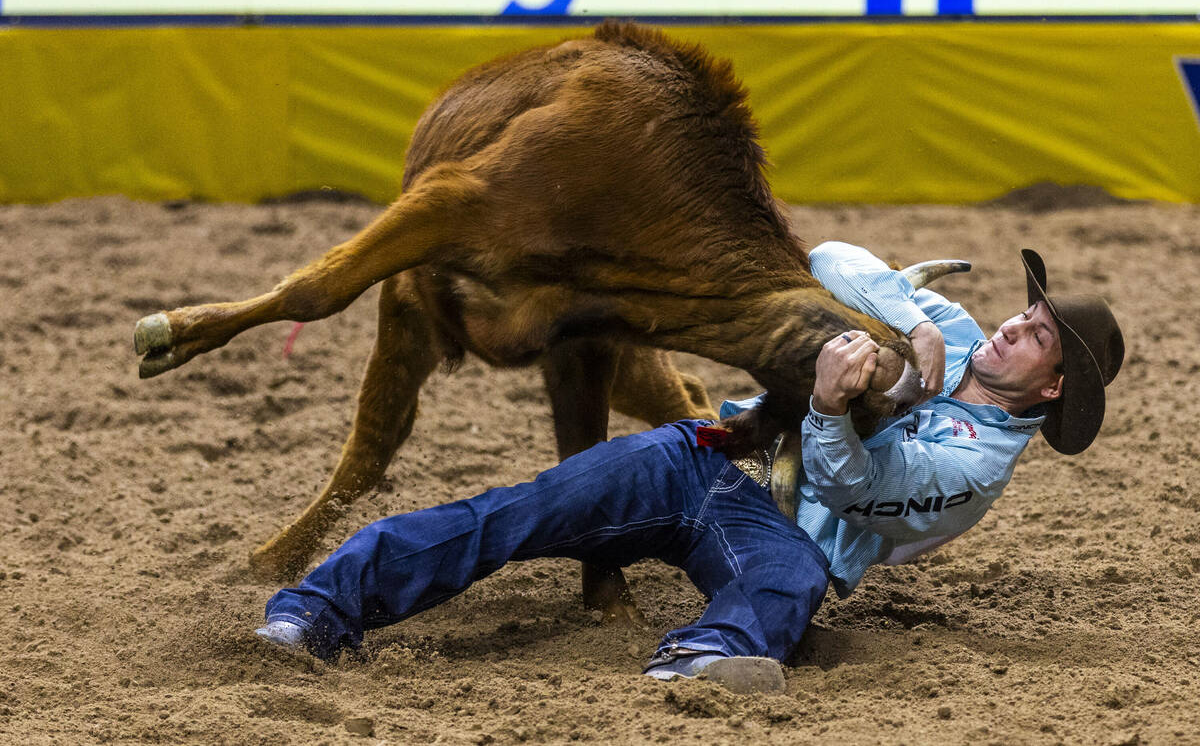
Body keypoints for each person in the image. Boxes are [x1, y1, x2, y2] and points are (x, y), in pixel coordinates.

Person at [254, 242, 1123, 693]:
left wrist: (825, 408)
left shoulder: (973, 470)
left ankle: (706, 656)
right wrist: (912, 317)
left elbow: (858, 488)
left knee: (789, 581)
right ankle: (315, 611)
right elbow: (830, 261)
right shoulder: (957, 331)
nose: (1015, 325)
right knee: (515, 513)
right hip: (702, 453)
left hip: (781, 526)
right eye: (1028, 310)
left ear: (1050, 386)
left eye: (1039, 335)